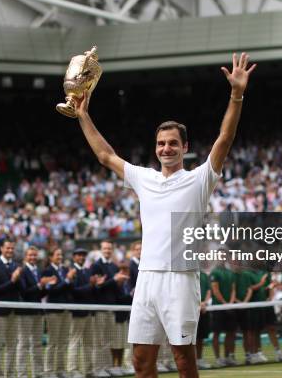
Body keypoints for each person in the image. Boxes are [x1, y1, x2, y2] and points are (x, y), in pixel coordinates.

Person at [75, 52, 256, 378]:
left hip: (182, 280)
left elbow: (225, 138)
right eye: (161, 143)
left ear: (185, 147)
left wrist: (237, 94)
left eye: (173, 143)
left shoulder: (200, 179)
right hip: (146, 278)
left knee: (184, 362)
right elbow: (105, 155)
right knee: (142, 363)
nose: (166, 148)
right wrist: (83, 115)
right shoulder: (144, 178)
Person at [90, 240, 128, 377]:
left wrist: (120, 282)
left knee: (108, 340)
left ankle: (106, 368)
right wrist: (114, 279)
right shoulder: (95, 266)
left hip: (111, 308)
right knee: (99, 341)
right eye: (105, 248)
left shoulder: (114, 266)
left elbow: (114, 288)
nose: (107, 250)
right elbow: (98, 287)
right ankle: (97, 368)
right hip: (100, 308)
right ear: (101, 250)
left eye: (109, 248)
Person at [17, 246, 54, 378]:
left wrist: (47, 286)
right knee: (23, 344)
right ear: (25, 257)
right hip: (25, 313)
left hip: (38, 312)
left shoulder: (39, 271)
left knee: (37, 344)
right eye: (30, 255)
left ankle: (38, 373)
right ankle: (22, 374)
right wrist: (40, 285)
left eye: (34, 255)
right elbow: (24, 292)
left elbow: (40, 294)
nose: (33, 257)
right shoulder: (22, 271)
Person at [0, 240, 22, 378]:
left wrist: (18, 280)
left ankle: (10, 374)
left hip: (14, 312)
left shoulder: (16, 266)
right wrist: (12, 281)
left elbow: (20, 289)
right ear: (1, 248)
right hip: (0, 313)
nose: (10, 250)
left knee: (12, 345)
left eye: (12, 248)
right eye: (8, 248)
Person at [42, 247, 75, 377]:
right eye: (57, 255)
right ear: (51, 257)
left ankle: (61, 370)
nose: (60, 257)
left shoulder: (65, 270)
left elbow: (69, 288)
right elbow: (52, 291)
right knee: (53, 342)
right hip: (53, 311)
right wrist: (67, 280)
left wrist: (70, 280)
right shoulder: (47, 271)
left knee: (63, 342)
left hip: (66, 310)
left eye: (61, 254)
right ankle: (49, 371)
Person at [67, 248, 97, 378]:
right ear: (74, 257)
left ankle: (88, 370)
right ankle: (73, 369)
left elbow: (90, 291)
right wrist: (90, 285)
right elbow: (74, 291)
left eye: (83, 255)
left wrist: (95, 285)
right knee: (74, 341)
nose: (81, 257)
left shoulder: (86, 271)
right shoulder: (71, 271)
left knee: (88, 343)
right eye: (79, 255)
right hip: (77, 313)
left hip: (88, 312)